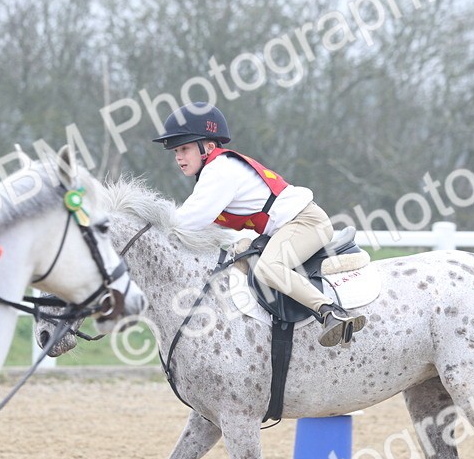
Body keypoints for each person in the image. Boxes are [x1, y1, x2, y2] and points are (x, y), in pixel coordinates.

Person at [153, 103, 366, 347]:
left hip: (306, 222)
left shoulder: (220, 170)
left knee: (269, 268)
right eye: (175, 151)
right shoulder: (216, 170)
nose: (178, 156)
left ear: (208, 147)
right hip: (287, 226)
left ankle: (332, 312)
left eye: (184, 148)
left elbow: (189, 219)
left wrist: (155, 228)